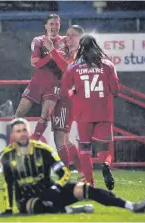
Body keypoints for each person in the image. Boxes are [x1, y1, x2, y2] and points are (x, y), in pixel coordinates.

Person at [0, 118, 145, 216]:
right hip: (27, 200)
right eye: (18, 131)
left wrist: (56, 188)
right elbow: (8, 184)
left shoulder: (43, 150)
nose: (22, 133)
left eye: (24, 130)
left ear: (29, 131)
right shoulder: (7, 156)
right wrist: (9, 209)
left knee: (85, 189)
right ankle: (73, 210)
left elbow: (63, 173)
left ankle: (132, 206)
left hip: (50, 191)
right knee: (39, 206)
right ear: (13, 135)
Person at [14, 14, 82, 176]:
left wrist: (61, 51)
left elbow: (68, 64)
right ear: (45, 26)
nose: (55, 26)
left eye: (57, 24)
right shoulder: (38, 41)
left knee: (49, 119)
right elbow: (35, 63)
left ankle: (30, 150)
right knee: (18, 116)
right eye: (51, 24)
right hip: (37, 83)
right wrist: (51, 55)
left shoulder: (66, 41)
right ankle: (16, 154)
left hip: (56, 85)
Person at [60, 34, 120, 190]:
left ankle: (90, 183)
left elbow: (65, 92)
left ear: (80, 48)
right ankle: (106, 164)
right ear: (96, 46)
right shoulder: (107, 65)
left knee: (84, 149)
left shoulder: (72, 67)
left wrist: (74, 92)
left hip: (83, 114)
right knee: (105, 150)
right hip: (104, 113)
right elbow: (115, 90)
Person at [42, 25, 85, 180]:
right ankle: (82, 173)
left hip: (68, 99)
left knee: (59, 138)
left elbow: (68, 69)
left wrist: (52, 51)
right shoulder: (66, 52)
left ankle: (65, 176)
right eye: (67, 34)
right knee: (65, 139)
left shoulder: (82, 54)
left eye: (72, 35)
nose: (68, 38)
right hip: (64, 97)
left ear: (80, 38)